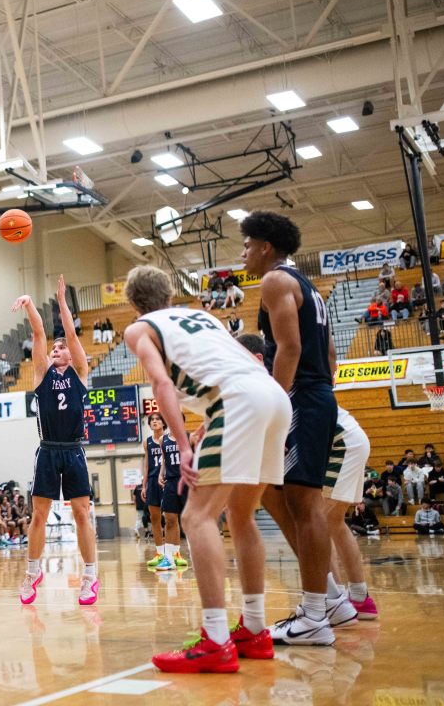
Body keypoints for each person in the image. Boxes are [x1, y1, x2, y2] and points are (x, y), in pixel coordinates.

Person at [122, 266, 291, 674]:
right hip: (273, 397)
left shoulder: (139, 329)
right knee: (242, 515)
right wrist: (203, 428)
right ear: (167, 293)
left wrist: (180, 443)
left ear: (133, 304)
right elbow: (223, 368)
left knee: (197, 516)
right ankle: (253, 629)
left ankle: (215, 639)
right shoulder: (204, 316)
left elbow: (162, 385)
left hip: (235, 403)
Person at [240, 211, 336, 646]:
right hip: (315, 395)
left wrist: (275, 404)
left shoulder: (275, 281)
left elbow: (291, 347)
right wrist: (320, 393)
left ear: (265, 246)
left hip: (300, 397)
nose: (243, 252)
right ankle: (330, 599)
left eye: (247, 244)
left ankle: (316, 616)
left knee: (305, 504)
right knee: (282, 495)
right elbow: (330, 352)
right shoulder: (309, 287)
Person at [236, 332, 377, 624]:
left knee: (316, 523)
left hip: (342, 442)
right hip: (346, 440)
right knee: (332, 523)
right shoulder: (277, 383)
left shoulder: (272, 384)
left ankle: (331, 600)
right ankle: (357, 598)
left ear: (257, 359)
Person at [13, 274, 97, 607]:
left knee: (81, 514)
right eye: (55, 347)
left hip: (73, 449)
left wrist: (62, 302)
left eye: (61, 347)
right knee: (38, 515)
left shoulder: (80, 373)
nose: (57, 348)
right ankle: (33, 572)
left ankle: (90, 576)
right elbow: (37, 332)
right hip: (47, 451)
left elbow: (72, 334)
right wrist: (31, 303)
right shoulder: (41, 373)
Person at [152, 411, 188, 572]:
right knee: (170, 519)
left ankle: (199, 555)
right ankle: (169, 558)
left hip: (187, 481)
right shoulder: (163, 440)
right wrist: (161, 474)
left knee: (192, 521)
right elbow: (164, 460)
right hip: (171, 482)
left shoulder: (188, 437)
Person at [142, 414, 165, 568]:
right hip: (152, 481)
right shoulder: (147, 443)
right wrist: (143, 485)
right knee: (154, 518)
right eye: (152, 420)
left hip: (166, 481)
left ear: (163, 423)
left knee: (171, 518)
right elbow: (146, 464)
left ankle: (172, 553)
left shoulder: (169, 439)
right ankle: (160, 554)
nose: (154, 421)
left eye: (157, 419)